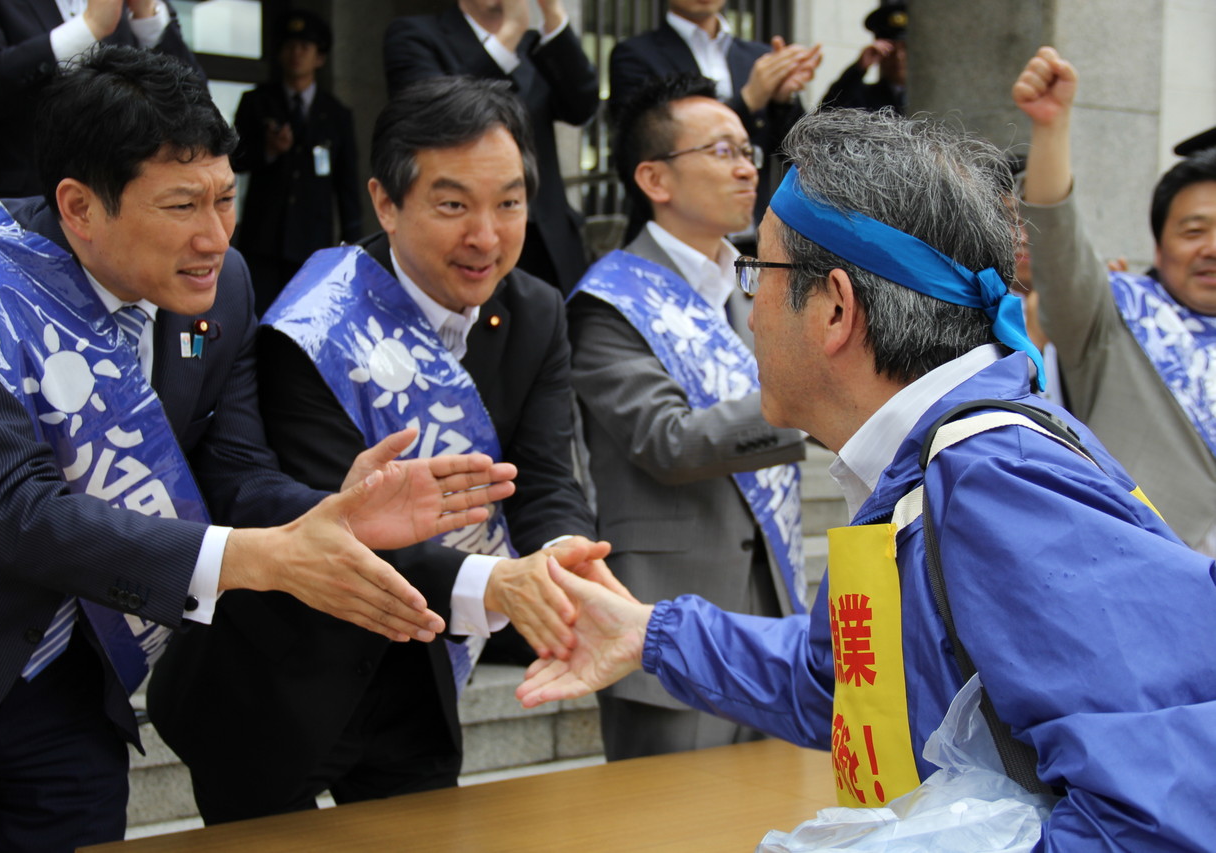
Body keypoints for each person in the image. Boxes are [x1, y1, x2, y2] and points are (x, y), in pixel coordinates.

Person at [517, 107, 1216, 850]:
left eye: (757, 273)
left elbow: (1155, 815)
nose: (749, 315)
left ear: (835, 308)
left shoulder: (997, 481)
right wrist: (649, 634)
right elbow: (853, 685)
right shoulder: (928, 468)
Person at [0, 47, 516, 853]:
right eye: (181, 206)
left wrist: (332, 513)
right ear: (79, 206)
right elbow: (15, 509)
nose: (213, 236)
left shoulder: (223, 289)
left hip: (73, 674)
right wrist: (255, 558)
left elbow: (233, 472)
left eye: (224, 197)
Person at [147, 75, 606, 824]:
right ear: (386, 203)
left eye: (509, 203)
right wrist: (499, 583)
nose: (486, 236)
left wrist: (561, 557)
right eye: (453, 205)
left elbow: (546, 476)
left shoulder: (536, 311)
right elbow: (343, 526)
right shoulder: (314, 324)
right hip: (280, 680)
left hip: (416, 679)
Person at [568, 74, 805, 760]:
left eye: (747, 151)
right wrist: (801, 400)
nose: (746, 168)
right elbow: (665, 441)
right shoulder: (609, 301)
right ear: (654, 178)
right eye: (722, 150)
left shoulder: (754, 285)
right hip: (662, 614)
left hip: (770, 604)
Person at [1014, 46, 1216, 556]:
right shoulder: (1113, 318)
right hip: (1145, 576)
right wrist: (1051, 127)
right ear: (1159, 246)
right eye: (1194, 230)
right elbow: (1058, 245)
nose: (1211, 249)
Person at [383, 0, 598, 294]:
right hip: (466, 242)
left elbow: (582, 107)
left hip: (548, 238)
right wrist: (508, 34)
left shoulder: (535, 44)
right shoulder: (415, 36)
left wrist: (552, 13)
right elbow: (437, 119)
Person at [0, 0, 201, 200]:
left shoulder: (136, 8)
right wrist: (90, 27)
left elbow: (196, 105)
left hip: (123, 211)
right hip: (15, 210)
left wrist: (146, 18)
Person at [608, 0, 821, 232]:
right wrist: (749, 99)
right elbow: (640, 144)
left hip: (752, 229)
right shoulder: (635, 54)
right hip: (676, 228)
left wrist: (783, 101)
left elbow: (800, 154)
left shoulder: (758, 57)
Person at [232, 10, 363, 317]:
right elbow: (233, 159)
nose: (296, 54)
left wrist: (352, 241)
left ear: (320, 57)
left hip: (311, 240)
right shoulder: (256, 102)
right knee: (258, 318)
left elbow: (347, 182)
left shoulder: (337, 114)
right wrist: (267, 149)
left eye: (305, 47)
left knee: (304, 320)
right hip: (262, 238)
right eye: (290, 46)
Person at [821, 0, 907, 114]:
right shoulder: (864, 97)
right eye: (890, 50)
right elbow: (828, 111)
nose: (899, 57)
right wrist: (859, 68)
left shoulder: (929, 95)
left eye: (906, 48)